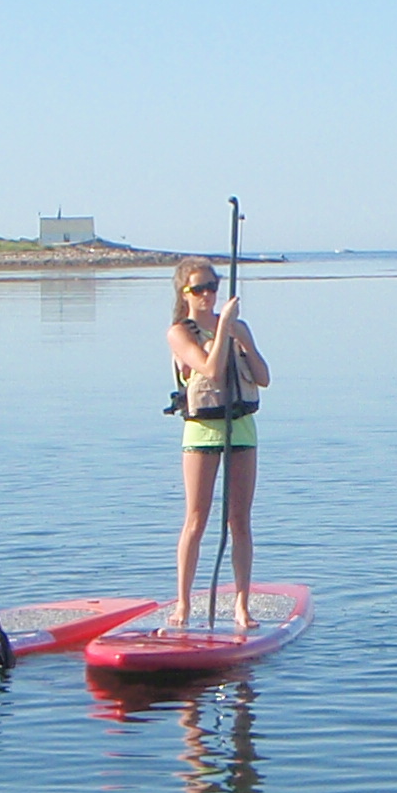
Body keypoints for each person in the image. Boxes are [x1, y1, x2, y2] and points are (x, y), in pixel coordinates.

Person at [167, 255, 271, 625]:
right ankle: (183, 603)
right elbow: (209, 369)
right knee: (196, 518)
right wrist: (223, 326)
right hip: (202, 432)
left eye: (212, 287)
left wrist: (243, 339)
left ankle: (242, 605)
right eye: (199, 289)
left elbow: (262, 377)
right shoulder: (180, 333)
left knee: (239, 521)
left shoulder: (237, 327)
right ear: (185, 293)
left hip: (241, 430)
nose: (207, 295)